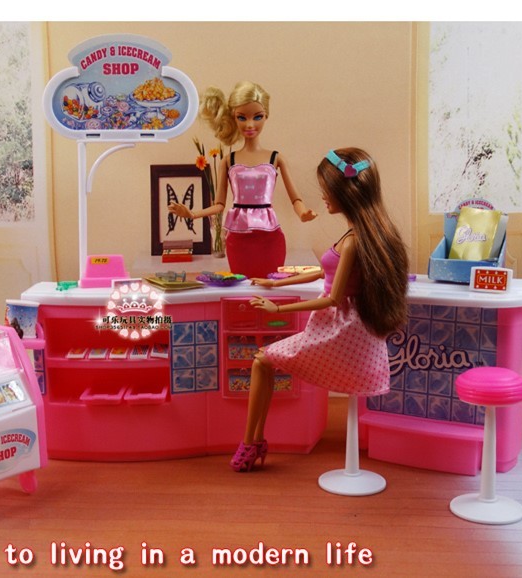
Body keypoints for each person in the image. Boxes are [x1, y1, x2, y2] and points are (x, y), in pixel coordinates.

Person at [230, 147, 409, 472]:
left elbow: (332, 299)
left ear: (346, 192)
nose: (323, 196)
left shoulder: (354, 240)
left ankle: (251, 442)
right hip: (348, 332)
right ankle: (253, 441)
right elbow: (324, 271)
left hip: (340, 333)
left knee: (261, 360)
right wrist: (277, 282)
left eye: (328, 189)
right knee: (264, 361)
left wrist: (277, 309)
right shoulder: (360, 234)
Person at [168, 81, 316, 278]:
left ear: (266, 116)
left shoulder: (276, 158)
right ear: (233, 118)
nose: (250, 124)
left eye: (257, 117)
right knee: (241, 284)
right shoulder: (228, 160)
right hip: (238, 237)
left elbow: (295, 198)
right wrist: (192, 214)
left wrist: (303, 213)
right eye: (242, 117)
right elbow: (219, 204)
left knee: (272, 283)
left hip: (270, 236)